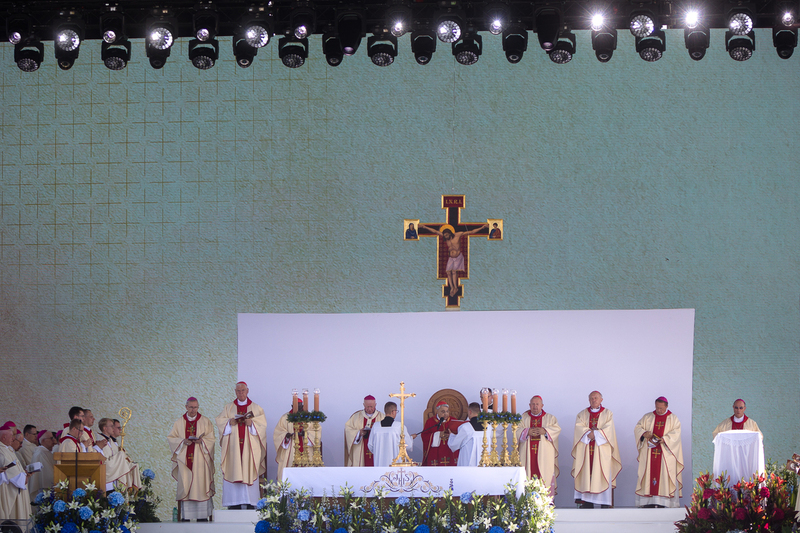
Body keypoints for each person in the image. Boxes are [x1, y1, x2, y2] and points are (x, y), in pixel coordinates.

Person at [215, 381, 268, 510]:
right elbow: (220, 422)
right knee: (234, 469)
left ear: (247, 391)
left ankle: (251, 503)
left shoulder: (256, 408)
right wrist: (229, 422)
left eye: (243, 390)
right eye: (238, 391)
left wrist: (252, 424)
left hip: (249, 451)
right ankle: (234, 503)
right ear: (235, 392)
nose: (241, 393)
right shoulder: (228, 408)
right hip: (234, 450)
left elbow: (262, 426)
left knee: (248, 470)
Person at [168, 397, 216, 522]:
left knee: (200, 484)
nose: (193, 410)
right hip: (185, 461)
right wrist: (183, 441)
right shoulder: (179, 423)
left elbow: (211, 439)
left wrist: (202, 441)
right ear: (186, 407)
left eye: (195, 407)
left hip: (201, 461)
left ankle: (202, 517)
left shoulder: (205, 421)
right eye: (191, 407)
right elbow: (172, 438)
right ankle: (186, 517)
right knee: (186, 485)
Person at [571, 391, 622, 508]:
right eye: (591, 398)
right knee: (586, 473)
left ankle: (603, 502)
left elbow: (609, 430)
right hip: (586, 450)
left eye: (596, 398)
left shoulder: (608, 413)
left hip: (601, 452)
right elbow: (579, 427)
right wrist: (589, 433)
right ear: (589, 400)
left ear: (601, 400)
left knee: (601, 472)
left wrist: (596, 434)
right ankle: (587, 502)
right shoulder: (582, 414)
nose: (593, 400)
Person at [633, 396, 684, 508]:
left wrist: (664, 439)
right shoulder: (648, 417)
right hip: (649, 453)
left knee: (664, 475)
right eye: (657, 408)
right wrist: (643, 433)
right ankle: (647, 502)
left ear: (667, 406)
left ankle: (663, 502)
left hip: (665, 454)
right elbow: (638, 428)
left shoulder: (673, 418)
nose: (659, 410)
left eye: (661, 408)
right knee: (648, 474)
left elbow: (676, 434)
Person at [418, 223, 488, 297]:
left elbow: (472, 231)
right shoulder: (445, 236)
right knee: (448, 272)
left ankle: (456, 287)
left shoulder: (458, 235)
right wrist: (424, 226)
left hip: (458, 257)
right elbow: (435, 231)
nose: (445, 237)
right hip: (451, 257)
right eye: (444, 236)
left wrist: (482, 227)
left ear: (450, 233)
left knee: (454, 271)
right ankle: (452, 287)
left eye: (447, 235)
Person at [519, 395, 561, 496]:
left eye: (537, 404)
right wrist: (527, 431)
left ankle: (546, 502)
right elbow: (516, 430)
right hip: (527, 455)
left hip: (544, 455)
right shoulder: (523, 418)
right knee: (527, 475)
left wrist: (545, 431)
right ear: (529, 405)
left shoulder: (550, 418)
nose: (535, 406)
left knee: (545, 475)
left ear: (542, 405)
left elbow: (557, 429)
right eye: (533, 404)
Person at [273, 400, 321, 480]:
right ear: (292, 406)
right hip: (291, 448)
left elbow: (317, 431)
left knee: (307, 474)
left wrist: (306, 434)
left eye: (299, 406)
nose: (298, 408)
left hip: (306, 448)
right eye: (295, 406)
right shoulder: (285, 417)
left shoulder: (309, 417)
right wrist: (286, 436)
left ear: (302, 406)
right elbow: (278, 432)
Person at [96, 418, 139, 491]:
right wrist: (121, 455)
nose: (113, 428)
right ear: (105, 428)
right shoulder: (100, 440)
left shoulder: (110, 440)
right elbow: (104, 460)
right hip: (106, 475)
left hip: (114, 477)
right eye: (111, 426)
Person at [368, 401, 414, 467]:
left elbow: (370, 445)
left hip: (379, 464)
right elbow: (408, 445)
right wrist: (411, 438)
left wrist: (380, 451)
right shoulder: (399, 426)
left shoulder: (376, 426)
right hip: (395, 465)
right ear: (393, 412)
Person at [0, 428, 32, 520]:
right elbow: (9, 471)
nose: (13, 439)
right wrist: (22, 478)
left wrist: (24, 474)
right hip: (11, 488)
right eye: (12, 436)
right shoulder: (1, 451)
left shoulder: (8, 449)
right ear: (4, 437)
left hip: (18, 485)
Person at [345, 395, 384, 467]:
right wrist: (358, 433)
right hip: (360, 450)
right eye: (367, 407)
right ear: (363, 405)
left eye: (371, 406)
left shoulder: (382, 417)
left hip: (376, 450)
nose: (369, 409)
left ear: (375, 405)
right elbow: (348, 429)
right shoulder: (356, 417)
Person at [421, 401, 459, 466]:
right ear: (437, 411)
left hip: (450, 452)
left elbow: (460, 436)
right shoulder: (430, 422)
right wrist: (438, 435)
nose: (446, 414)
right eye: (443, 412)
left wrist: (452, 435)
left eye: (447, 411)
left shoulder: (453, 421)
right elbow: (424, 436)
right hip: (436, 453)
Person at [29, 430, 56, 502]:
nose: (54, 440)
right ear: (43, 440)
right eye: (51, 438)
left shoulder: (46, 452)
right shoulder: (40, 453)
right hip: (43, 490)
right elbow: (48, 474)